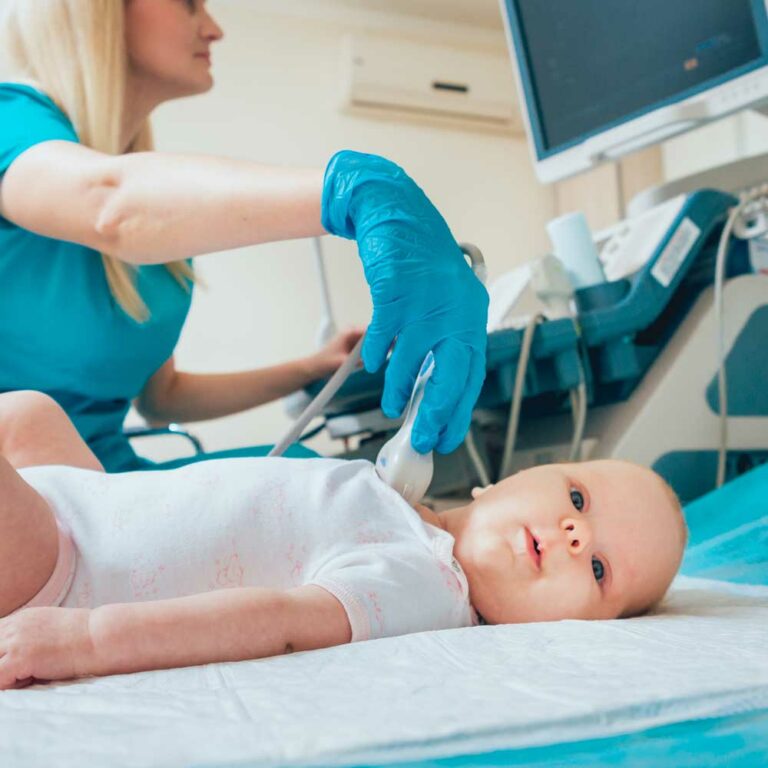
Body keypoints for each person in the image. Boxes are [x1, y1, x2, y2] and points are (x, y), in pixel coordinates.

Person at [0, 0, 488, 472]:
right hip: (24, 499)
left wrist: (312, 368)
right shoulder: (11, 120)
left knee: (307, 476)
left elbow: (160, 398)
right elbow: (108, 205)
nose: (214, 28)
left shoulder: (161, 219)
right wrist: (356, 190)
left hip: (105, 483)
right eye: (188, 3)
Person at [0, 391, 686, 688]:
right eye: (576, 498)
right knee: (31, 415)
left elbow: (278, 623)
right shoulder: (403, 509)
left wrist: (86, 639)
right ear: (499, 482)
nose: (573, 533)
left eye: (598, 568)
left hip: (65, 576)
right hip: (85, 509)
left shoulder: (425, 582)